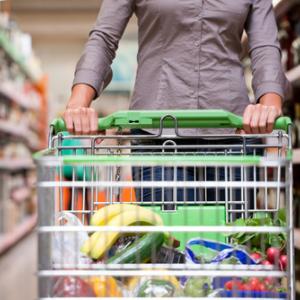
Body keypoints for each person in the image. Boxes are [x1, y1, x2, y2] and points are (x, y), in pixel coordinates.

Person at [63, 0, 290, 206]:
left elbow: (264, 47)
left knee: (231, 244)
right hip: (159, 138)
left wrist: (269, 102)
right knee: (169, 246)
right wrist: (78, 103)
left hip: (233, 137)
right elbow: (104, 38)